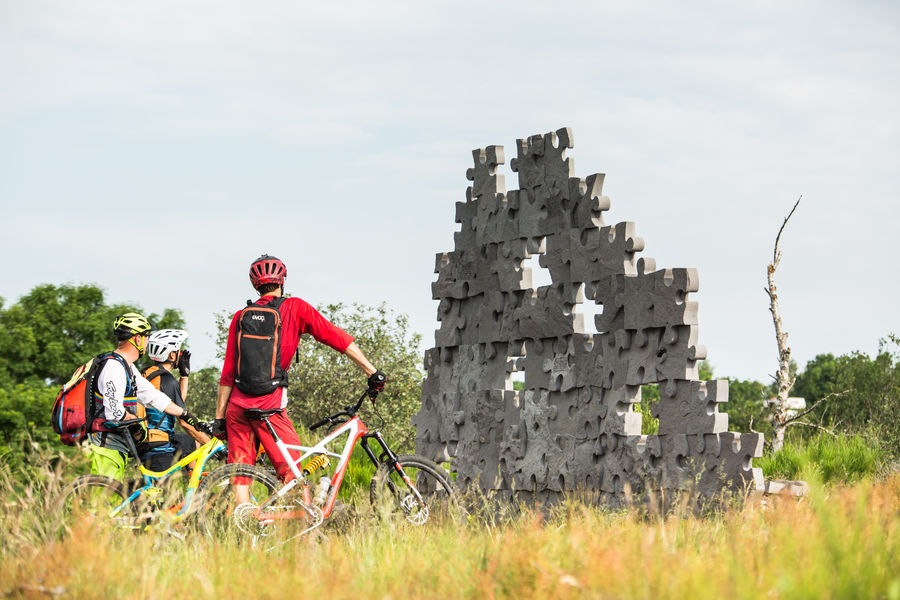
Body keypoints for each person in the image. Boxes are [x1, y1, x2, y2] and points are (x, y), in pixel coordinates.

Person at [214, 254, 385, 502]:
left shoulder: (240, 317)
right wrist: (372, 371)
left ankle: (244, 524)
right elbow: (336, 338)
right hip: (269, 406)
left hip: (237, 408)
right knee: (294, 471)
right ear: (282, 280)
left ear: (255, 285)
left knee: (240, 474)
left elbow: (228, 372)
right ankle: (302, 528)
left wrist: (219, 417)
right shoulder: (295, 307)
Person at [88, 313, 202, 482]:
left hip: (117, 444)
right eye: (146, 337)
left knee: (115, 496)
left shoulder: (127, 367)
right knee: (101, 501)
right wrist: (135, 421)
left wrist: (183, 413)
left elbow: (152, 396)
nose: (148, 342)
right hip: (106, 445)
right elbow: (114, 413)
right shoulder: (113, 367)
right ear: (137, 339)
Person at [140, 329, 211, 472]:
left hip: (144, 439)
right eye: (178, 351)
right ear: (172, 354)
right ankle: (195, 490)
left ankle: (194, 488)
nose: (180, 354)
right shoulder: (167, 380)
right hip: (159, 446)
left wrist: (184, 376)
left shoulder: (146, 373)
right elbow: (183, 420)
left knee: (191, 443)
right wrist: (211, 444)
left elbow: (174, 405)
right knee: (160, 492)